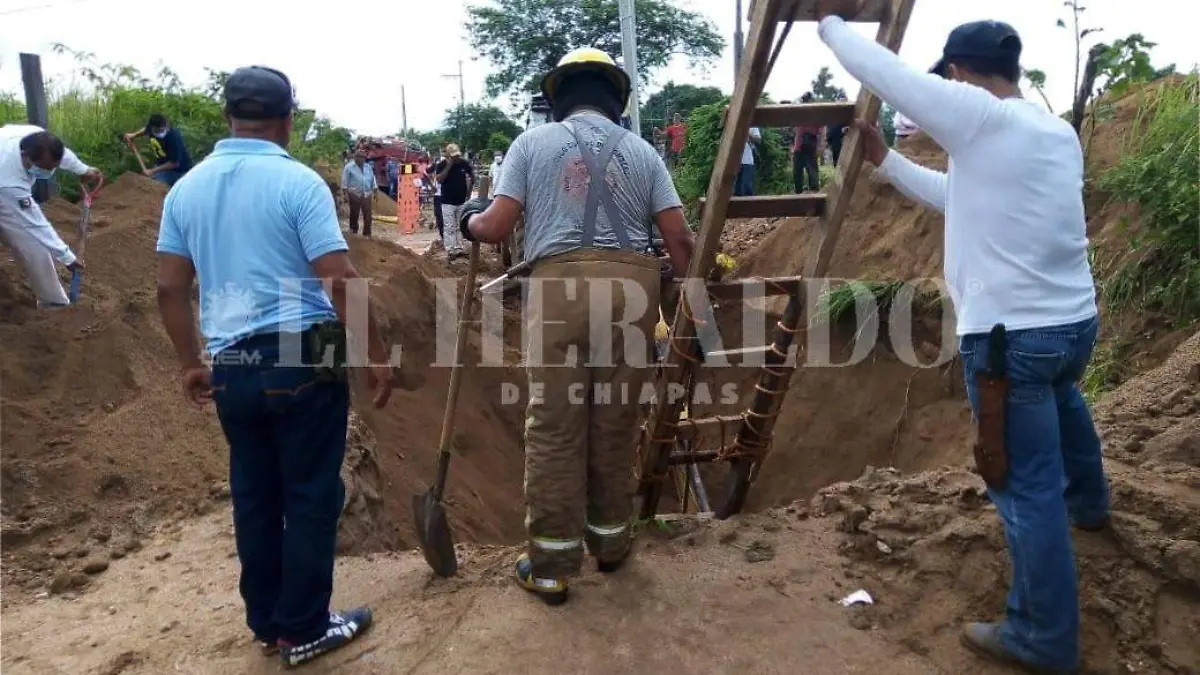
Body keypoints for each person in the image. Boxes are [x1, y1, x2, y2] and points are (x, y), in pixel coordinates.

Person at [816, 3, 1106, 674]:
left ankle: (1042, 636)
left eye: (946, 79)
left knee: (1023, 483)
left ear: (959, 73)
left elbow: (881, 71)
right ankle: (1090, 504)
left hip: (1008, 343)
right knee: (1066, 402)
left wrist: (828, 23)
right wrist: (887, 161)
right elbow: (960, 197)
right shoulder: (1049, 133)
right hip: (1071, 325)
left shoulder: (978, 116)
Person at [154, 65, 398, 668]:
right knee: (312, 493)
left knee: (255, 494)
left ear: (226, 118)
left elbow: (168, 288)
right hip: (309, 348)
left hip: (232, 357)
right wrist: (372, 352)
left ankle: (267, 622)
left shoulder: (185, 189)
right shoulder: (299, 183)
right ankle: (306, 628)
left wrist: (191, 363)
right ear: (289, 119)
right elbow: (338, 278)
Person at [456, 46, 695, 605]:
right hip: (632, 294)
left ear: (558, 96)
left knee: (556, 427)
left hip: (558, 291)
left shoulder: (530, 144)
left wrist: (468, 221)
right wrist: (687, 303)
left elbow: (494, 228)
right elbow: (681, 240)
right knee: (616, 420)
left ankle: (552, 566)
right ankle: (611, 545)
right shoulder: (643, 153)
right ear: (617, 99)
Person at [0, 124, 102, 307]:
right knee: (31, 238)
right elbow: (35, 224)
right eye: (43, 168)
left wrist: (84, 170)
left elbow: (63, 155)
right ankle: (52, 303)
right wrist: (68, 258)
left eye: (52, 168)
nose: (48, 173)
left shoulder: (36, 138)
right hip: (3, 188)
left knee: (31, 243)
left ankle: (52, 303)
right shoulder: (10, 181)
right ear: (26, 157)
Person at [123, 114, 193, 187]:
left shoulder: (174, 138)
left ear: (166, 124)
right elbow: (146, 130)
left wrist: (152, 171)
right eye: (160, 130)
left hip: (180, 171)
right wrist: (134, 135)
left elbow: (174, 163)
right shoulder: (151, 128)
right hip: (162, 166)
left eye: (164, 128)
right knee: (150, 185)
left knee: (159, 188)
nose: (163, 130)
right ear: (153, 128)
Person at [434, 143, 473, 261]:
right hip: (447, 201)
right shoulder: (441, 165)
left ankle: (460, 248)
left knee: (460, 226)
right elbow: (439, 179)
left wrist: (469, 193)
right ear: (448, 156)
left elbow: (472, 177)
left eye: (457, 156)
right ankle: (451, 250)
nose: (456, 158)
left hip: (461, 200)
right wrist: (449, 166)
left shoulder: (463, 163)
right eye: (453, 157)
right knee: (449, 226)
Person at [340, 149, 376, 237]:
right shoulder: (349, 167)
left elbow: (372, 178)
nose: (362, 159)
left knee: (368, 215)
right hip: (354, 193)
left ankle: (367, 233)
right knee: (354, 213)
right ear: (355, 157)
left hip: (366, 193)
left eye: (363, 157)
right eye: (360, 157)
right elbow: (345, 181)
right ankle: (353, 231)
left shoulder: (368, 167)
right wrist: (345, 194)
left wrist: (375, 190)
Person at [792, 93, 821, 193]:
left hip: (810, 147)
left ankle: (814, 193)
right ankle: (798, 193)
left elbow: (822, 131)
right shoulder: (798, 114)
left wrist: (821, 146)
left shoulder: (816, 115)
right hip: (798, 147)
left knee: (812, 173)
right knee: (797, 174)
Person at [734, 126, 761, 197]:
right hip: (732, 162)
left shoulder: (751, 124)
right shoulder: (731, 123)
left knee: (747, 189)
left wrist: (747, 134)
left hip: (747, 161)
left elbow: (758, 139)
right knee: (735, 190)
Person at [826, 93, 849, 166]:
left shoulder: (849, 114)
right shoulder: (833, 116)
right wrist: (841, 131)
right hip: (837, 145)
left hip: (848, 146)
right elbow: (830, 134)